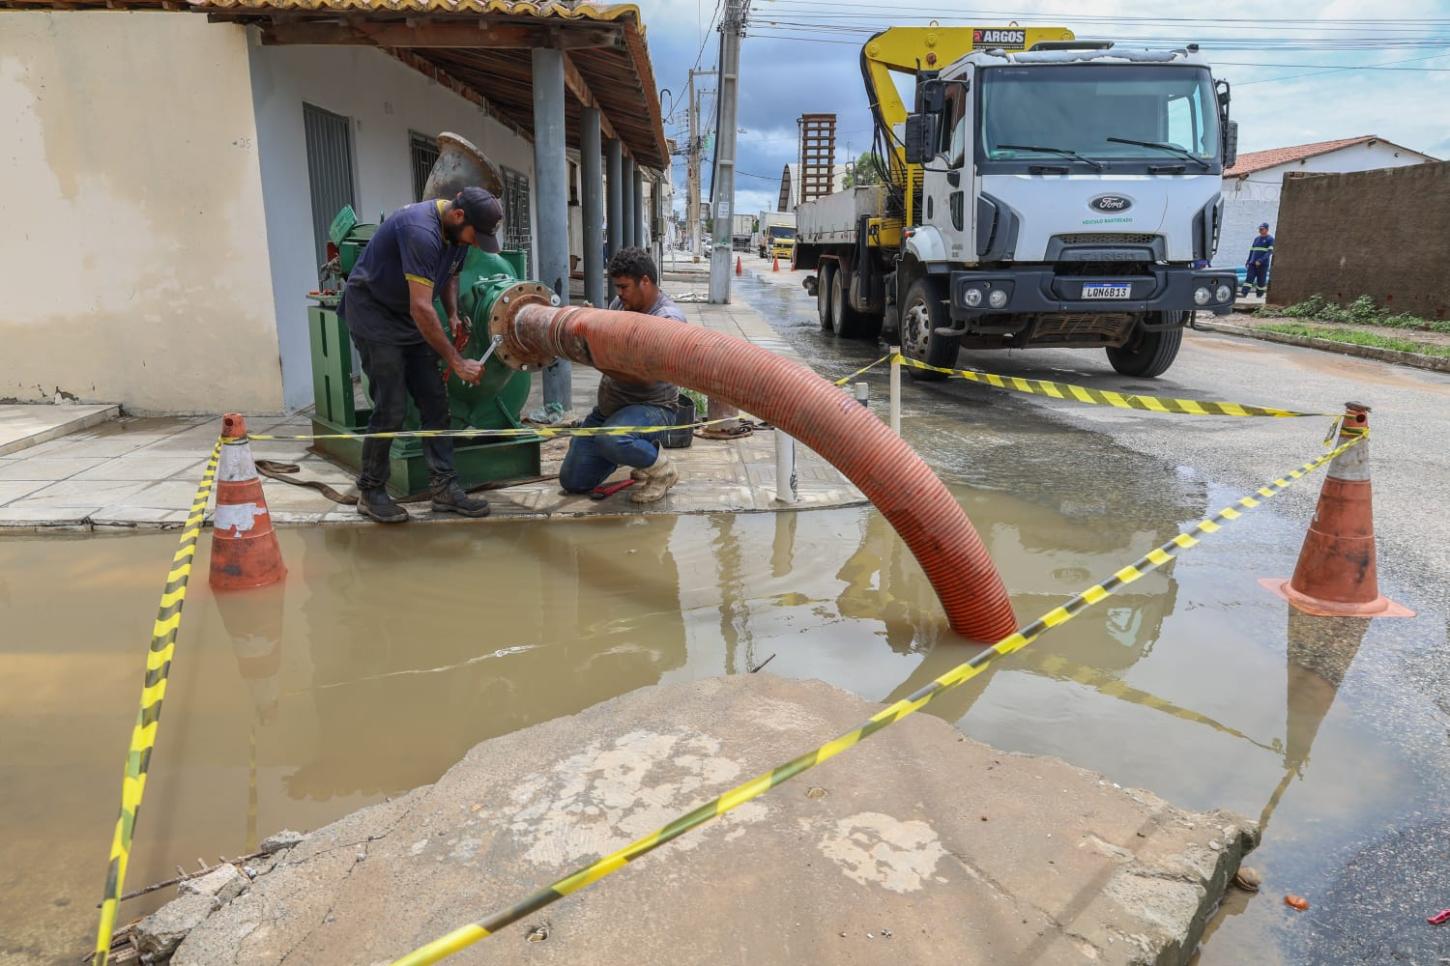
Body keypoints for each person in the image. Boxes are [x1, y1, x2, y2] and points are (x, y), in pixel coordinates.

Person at [341, 187, 503, 524]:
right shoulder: (421, 231)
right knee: (392, 405)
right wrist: (456, 362)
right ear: (459, 216)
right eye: (476, 235)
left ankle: (444, 488)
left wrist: (454, 314)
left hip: (406, 315)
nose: (476, 243)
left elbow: (451, 274)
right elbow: (420, 306)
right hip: (374, 313)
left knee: (434, 400)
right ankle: (370, 492)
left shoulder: (456, 234)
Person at [559, 247, 685, 503]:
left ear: (645, 282)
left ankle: (662, 471)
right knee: (573, 481)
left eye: (624, 287)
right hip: (612, 408)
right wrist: (591, 324)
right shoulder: (622, 304)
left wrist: (596, 359)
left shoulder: (667, 320)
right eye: (617, 287)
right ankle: (636, 453)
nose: (619, 294)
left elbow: (646, 378)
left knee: (612, 438)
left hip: (653, 407)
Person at [1242, 222, 1274, 298]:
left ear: (1267, 229)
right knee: (1249, 278)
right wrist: (1248, 260)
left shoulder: (1270, 239)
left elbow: (1269, 252)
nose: (1260, 230)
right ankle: (1244, 293)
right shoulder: (1256, 239)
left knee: (1261, 282)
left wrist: (1260, 260)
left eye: (1262, 229)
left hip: (1263, 265)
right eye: (1259, 229)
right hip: (1252, 263)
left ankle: (1259, 296)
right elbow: (1252, 251)